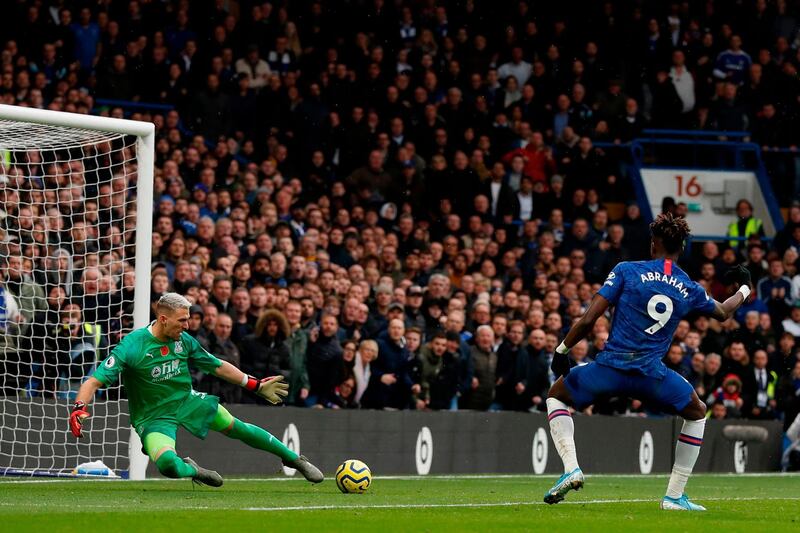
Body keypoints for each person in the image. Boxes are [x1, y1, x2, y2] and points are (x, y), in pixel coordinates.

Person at [543, 213, 751, 511]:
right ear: (681, 248)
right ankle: (674, 496)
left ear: (653, 245)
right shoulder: (687, 285)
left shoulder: (627, 270)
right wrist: (745, 288)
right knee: (697, 412)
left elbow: (589, 319)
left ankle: (571, 468)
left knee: (556, 396)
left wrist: (562, 350)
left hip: (610, 368)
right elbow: (722, 312)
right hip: (650, 375)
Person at [68, 293, 323, 487]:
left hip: (187, 401)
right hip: (153, 417)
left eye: (188, 319)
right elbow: (93, 381)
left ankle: (294, 459)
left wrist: (254, 385)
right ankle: (193, 470)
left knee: (236, 426)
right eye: (182, 320)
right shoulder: (132, 346)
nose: (187, 325)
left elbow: (217, 366)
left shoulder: (184, 340)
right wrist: (79, 408)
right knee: (168, 465)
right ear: (163, 318)